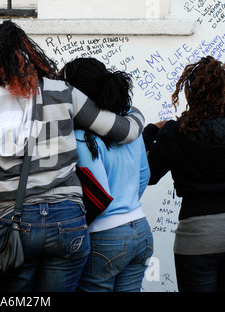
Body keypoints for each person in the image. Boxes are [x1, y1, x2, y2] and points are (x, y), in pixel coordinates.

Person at [0, 20, 145, 292]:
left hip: (15, 225)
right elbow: (125, 131)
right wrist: (136, 111)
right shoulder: (62, 92)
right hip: (68, 223)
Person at [60, 57, 153, 292]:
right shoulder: (130, 124)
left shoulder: (82, 138)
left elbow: (98, 197)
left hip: (104, 237)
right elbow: (144, 175)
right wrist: (127, 202)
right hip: (140, 228)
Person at [144, 56, 225, 292]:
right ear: (222, 91)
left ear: (189, 94)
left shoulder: (175, 132)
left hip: (197, 237)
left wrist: (151, 132)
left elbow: (147, 175)